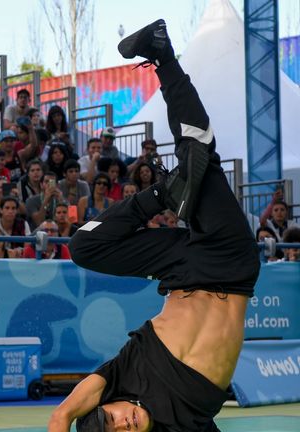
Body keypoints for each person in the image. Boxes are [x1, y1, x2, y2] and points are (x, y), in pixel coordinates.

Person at [50, 20, 261, 432]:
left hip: (180, 269)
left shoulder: (116, 377)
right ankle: (161, 52)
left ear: (106, 405)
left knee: (82, 248)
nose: (123, 424)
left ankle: (163, 195)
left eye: (110, 420)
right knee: (198, 151)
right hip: (231, 263)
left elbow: (61, 416)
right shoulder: (177, 427)